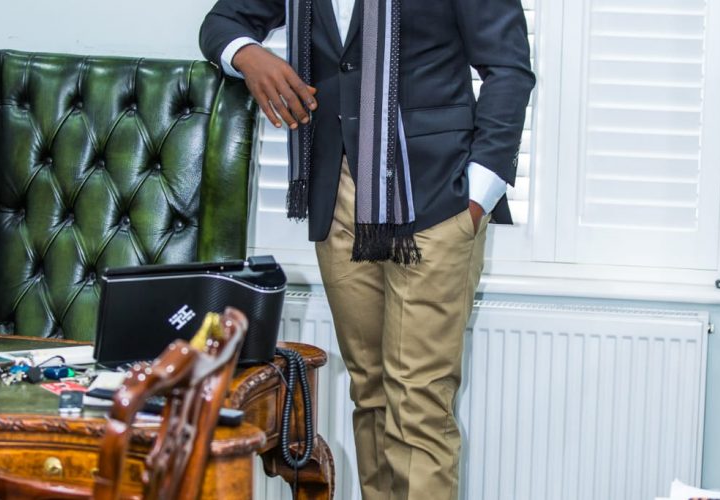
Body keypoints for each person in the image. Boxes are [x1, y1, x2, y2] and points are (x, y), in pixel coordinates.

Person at [201, 1, 534, 498]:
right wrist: (250, 56)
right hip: (339, 191)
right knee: (371, 390)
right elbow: (222, 22)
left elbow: (509, 68)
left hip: (434, 193)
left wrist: (478, 195)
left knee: (418, 405)